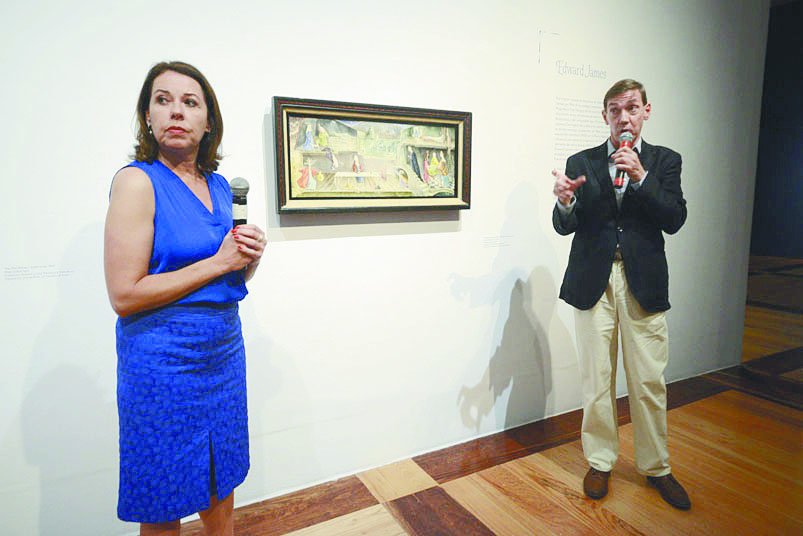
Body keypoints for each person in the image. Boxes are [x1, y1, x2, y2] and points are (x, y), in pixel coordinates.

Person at [104, 61, 266, 535]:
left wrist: (246, 258)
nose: (176, 111)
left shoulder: (220, 187)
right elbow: (124, 293)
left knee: (222, 489)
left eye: (190, 102)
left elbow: (228, 279)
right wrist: (219, 261)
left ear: (208, 121)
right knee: (163, 503)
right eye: (163, 100)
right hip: (162, 366)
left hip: (222, 356)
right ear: (148, 118)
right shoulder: (137, 182)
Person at [551, 79, 690, 510]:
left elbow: (674, 218)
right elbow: (564, 226)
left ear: (646, 110)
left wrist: (642, 177)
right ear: (605, 116)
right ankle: (600, 460)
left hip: (642, 281)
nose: (623, 117)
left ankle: (656, 467)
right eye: (614, 109)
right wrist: (564, 203)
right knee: (596, 380)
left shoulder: (665, 161)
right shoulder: (583, 161)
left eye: (631, 107)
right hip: (593, 282)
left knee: (648, 380)